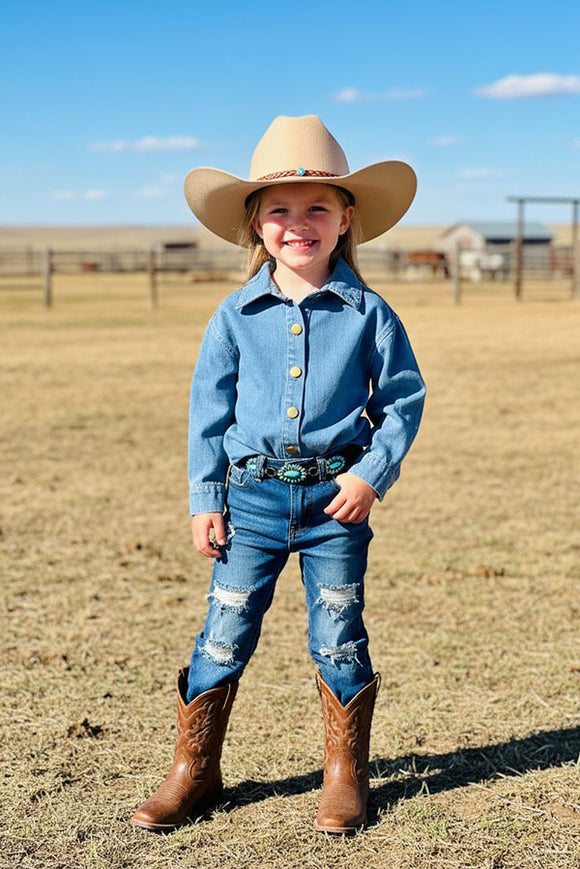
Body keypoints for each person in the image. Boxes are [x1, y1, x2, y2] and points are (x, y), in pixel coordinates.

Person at [132, 115, 426, 834]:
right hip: (251, 502)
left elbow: (403, 400)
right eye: (281, 211)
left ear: (346, 218)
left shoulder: (371, 316)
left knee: (339, 633)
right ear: (256, 227)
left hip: (335, 504)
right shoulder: (233, 318)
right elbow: (208, 412)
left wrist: (370, 475)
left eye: (318, 207)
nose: (300, 223)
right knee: (224, 632)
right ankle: (194, 771)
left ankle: (344, 773)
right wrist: (206, 497)